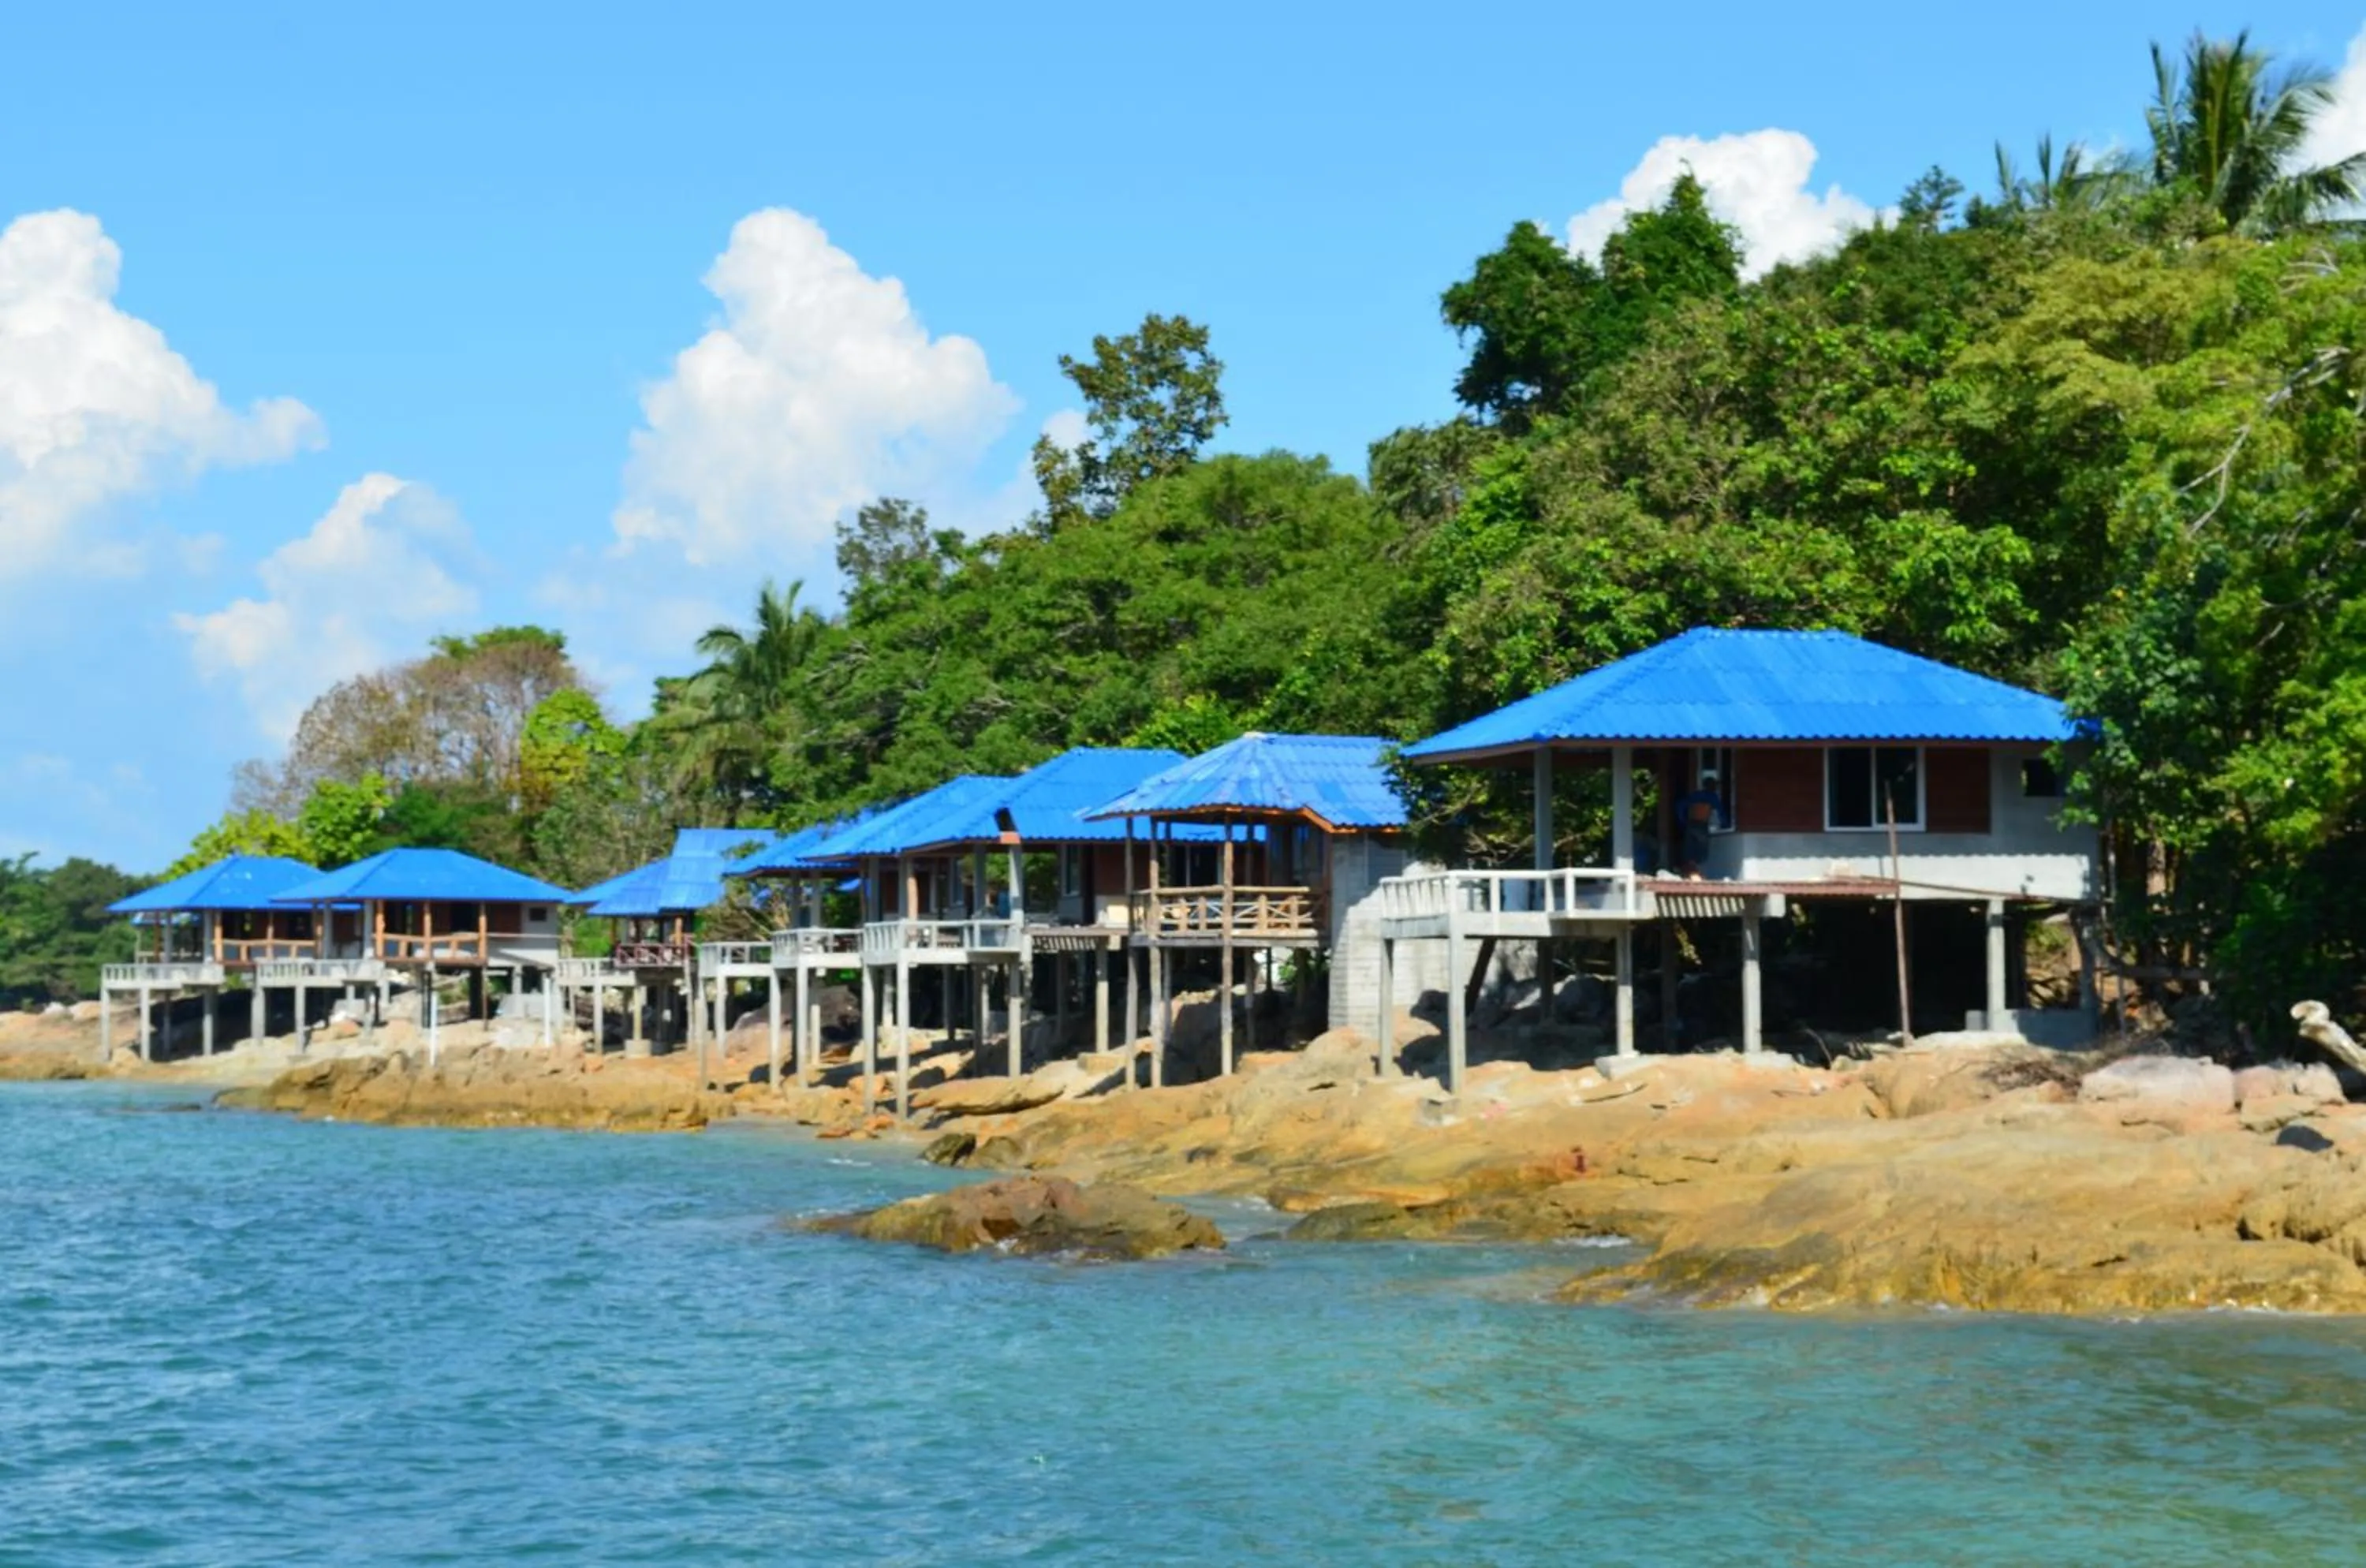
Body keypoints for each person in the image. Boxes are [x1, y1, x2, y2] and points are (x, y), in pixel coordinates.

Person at [1674, 786, 1723, 879]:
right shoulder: (1712, 796)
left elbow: (1680, 805)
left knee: (1690, 851)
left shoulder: (1695, 795)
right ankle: (1696, 873)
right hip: (1701, 826)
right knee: (1702, 853)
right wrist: (1724, 823)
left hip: (1691, 825)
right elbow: (1720, 811)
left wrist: (1682, 820)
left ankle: (1690, 873)